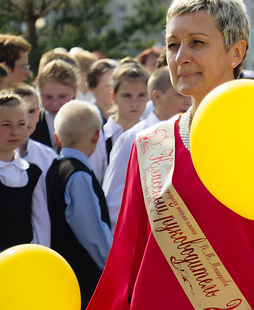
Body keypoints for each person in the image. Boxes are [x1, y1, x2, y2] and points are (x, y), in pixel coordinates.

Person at [89, 0, 254, 310]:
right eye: (173, 45)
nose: (180, 57)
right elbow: (127, 258)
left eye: (197, 42)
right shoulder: (150, 144)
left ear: (236, 52)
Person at [103, 66, 191, 227]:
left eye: (189, 95)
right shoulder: (132, 139)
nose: (188, 101)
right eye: (180, 95)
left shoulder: (190, 135)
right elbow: (115, 202)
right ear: (156, 97)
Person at [46, 99, 114, 307]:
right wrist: (112, 266)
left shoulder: (55, 168)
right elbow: (92, 232)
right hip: (83, 281)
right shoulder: (78, 176)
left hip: (64, 274)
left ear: (57, 137)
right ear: (96, 136)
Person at [0, 91, 49, 249]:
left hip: (25, 258)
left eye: (21, 124)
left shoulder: (32, 173)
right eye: (6, 125)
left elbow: (41, 225)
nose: (15, 131)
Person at [31, 58, 80, 148]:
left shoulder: (86, 123)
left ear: (74, 90)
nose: (54, 104)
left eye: (62, 96)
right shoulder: (32, 127)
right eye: (48, 97)